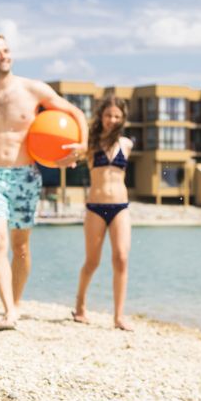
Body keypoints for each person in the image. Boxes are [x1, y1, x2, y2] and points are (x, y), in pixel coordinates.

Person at [0, 31, 87, 331]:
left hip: (26, 176)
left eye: (6, 50)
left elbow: (75, 112)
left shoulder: (33, 89)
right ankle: (9, 310)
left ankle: (16, 301)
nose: (4, 56)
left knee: (21, 247)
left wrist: (83, 145)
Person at [73, 94, 133, 330]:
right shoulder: (89, 143)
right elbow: (69, 157)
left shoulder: (126, 144)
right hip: (95, 208)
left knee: (121, 259)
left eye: (117, 116)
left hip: (120, 207)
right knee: (92, 262)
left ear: (122, 118)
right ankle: (80, 306)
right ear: (101, 116)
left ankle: (118, 317)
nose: (112, 120)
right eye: (109, 115)